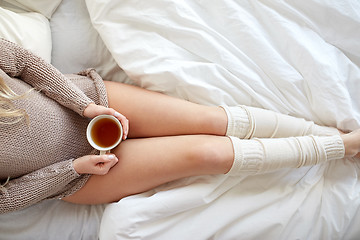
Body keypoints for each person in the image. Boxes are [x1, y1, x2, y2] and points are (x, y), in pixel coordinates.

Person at [0, 38, 359, 214]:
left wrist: (85, 105)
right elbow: (6, 198)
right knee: (208, 153)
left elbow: (22, 61)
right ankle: (342, 146)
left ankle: (336, 138)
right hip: (79, 175)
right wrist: (74, 167)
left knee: (212, 121)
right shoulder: (74, 171)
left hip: (91, 105)